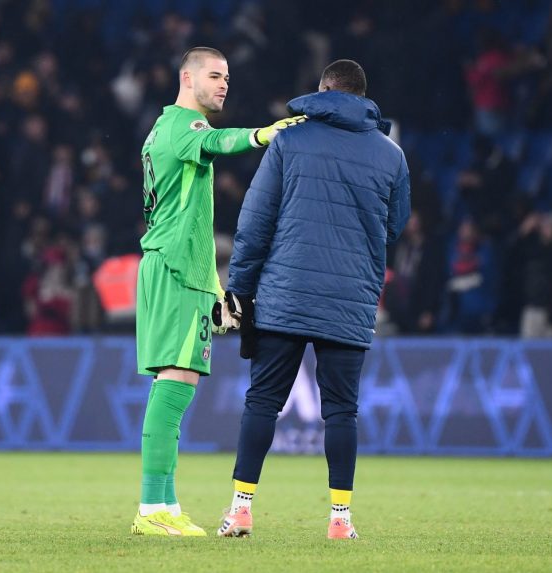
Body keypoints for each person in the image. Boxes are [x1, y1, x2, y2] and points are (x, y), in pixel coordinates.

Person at [217, 59, 410, 539]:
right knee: (342, 412)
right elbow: (395, 228)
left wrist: (239, 287)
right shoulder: (391, 156)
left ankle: (241, 509)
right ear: (363, 97)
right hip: (350, 299)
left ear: (323, 90)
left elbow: (255, 221)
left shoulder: (289, 141)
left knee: (262, 402)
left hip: (284, 294)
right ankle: (340, 520)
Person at [131, 46, 305, 537]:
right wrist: (261, 134)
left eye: (227, 76)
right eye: (214, 75)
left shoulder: (169, 130)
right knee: (175, 381)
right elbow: (220, 143)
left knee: (177, 383)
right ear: (187, 79)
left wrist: (214, 289)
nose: (224, 84)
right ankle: (151, 509)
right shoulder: (184, 128)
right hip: (173, 270)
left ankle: (164, 502)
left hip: (181, 270)